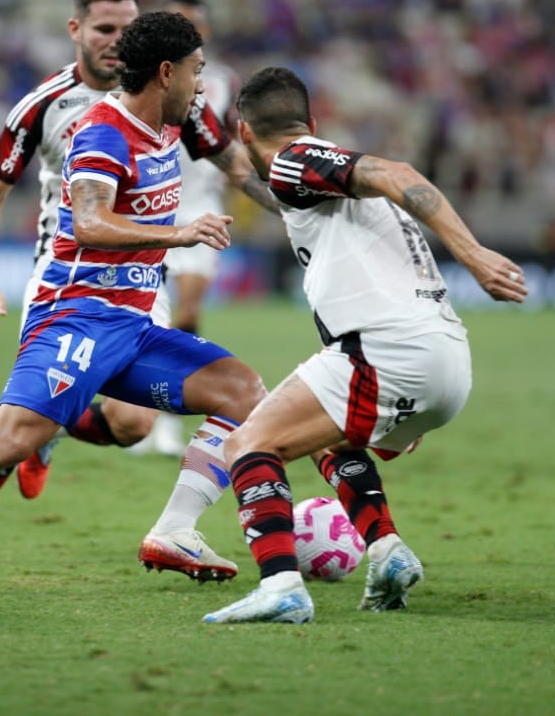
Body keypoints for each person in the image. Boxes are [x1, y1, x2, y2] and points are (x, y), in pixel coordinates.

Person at [0, 11, 271, 596]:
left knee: (243, 393)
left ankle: (174, 529)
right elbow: (91, 224)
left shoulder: (174, 126)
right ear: (166, 73)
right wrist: (181, 234)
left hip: (134, 322)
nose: (203, 85)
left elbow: (238, 166)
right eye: (197, 72)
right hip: (77, 313)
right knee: (9, 440)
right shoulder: (101, 133)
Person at [203, 66, 528, 624]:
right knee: (326, 444)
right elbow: (283, 194)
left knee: (248, 445)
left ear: (249, 131)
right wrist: (224, 160)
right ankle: (386, 551)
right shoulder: (307, 179)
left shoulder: (296, 160)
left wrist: (472, 253)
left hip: (388, 350)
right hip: (446, 361)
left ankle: (281, 585)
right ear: (311, 119)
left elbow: (392, 170)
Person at [135, 0, 243, 457]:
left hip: (199, 203)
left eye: (193, 23)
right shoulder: (143, 78)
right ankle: (141, 417)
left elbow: (232, 138)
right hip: (151, 204)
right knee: (144, 318)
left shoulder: (221, 81)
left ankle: (166, 423)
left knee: (189, 315)